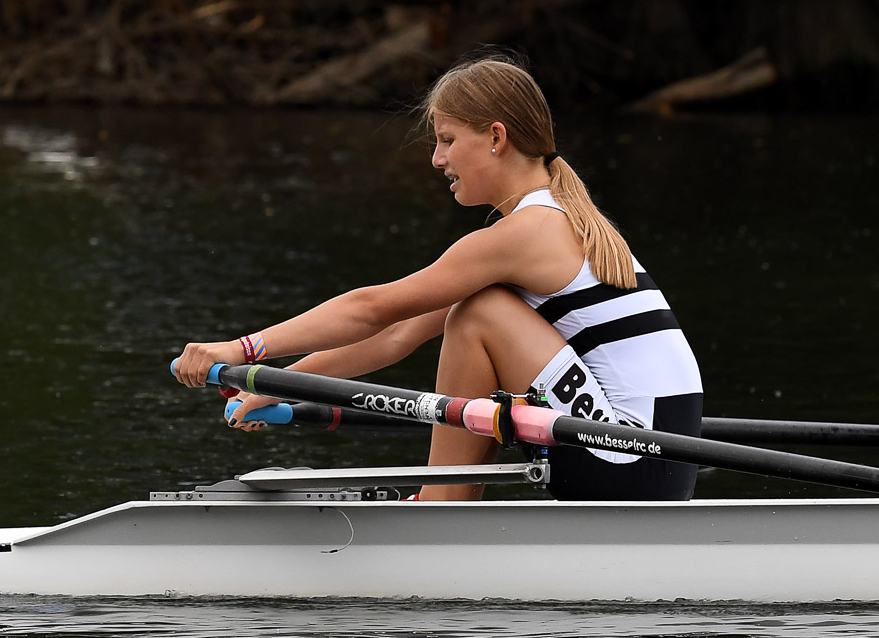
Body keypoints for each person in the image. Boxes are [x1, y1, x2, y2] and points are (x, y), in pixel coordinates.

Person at [172, 56, 704, 501]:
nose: (436, 159)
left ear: (496, 137)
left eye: (447, 140)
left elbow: (371, 308)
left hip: (631, 459)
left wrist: (244, 350)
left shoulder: (527, 232)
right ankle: (445, 500)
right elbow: (397, 335)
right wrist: (278, 385)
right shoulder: (559, 216)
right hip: (656, 458)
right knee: (475, 307)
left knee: (478, 314)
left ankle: (441, 504)